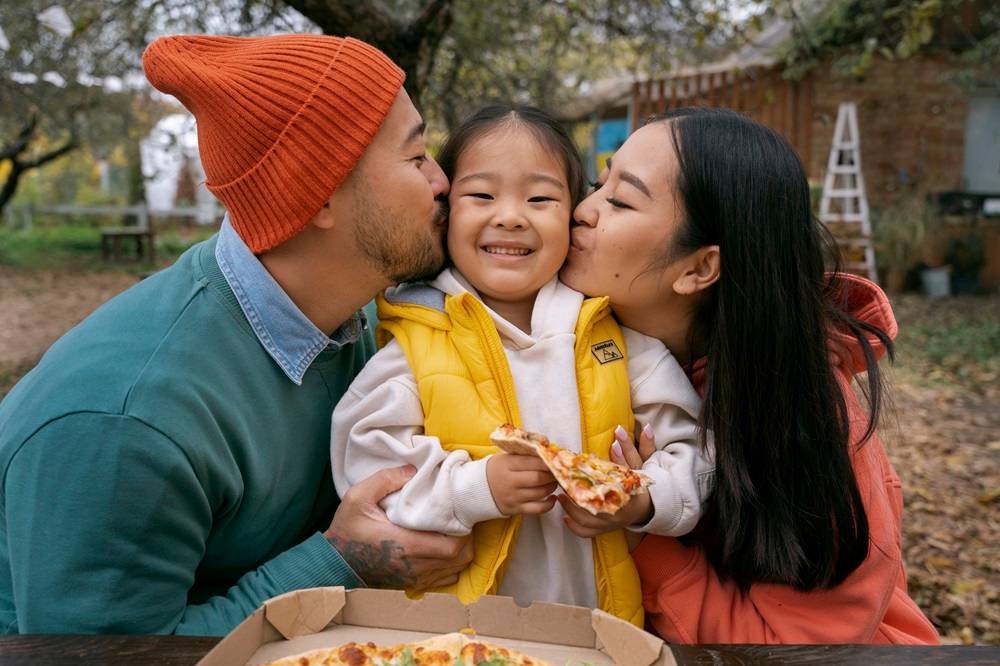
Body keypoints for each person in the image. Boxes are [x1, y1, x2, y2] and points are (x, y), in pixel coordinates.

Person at [0, 34, 473, 636]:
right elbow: (112, 656)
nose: (444, 183)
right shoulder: (128, 419)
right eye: (416, 158)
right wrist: (343, 565)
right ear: (320, 193)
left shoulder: (373, 319)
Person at [560, 106, 940, 644]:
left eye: (620, 200)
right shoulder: (581, 345)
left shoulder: (805, 420)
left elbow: (798, 645)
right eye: (598, 185)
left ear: (698, 269)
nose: (582, 210)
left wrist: (639, 534)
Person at [330, 105, 714, 627]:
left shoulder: (613, 336)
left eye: (540, 198)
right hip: (458, 633)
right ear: (446, 213)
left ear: (573, 216)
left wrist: (643, 501)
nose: (510, 216)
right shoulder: (416, 342)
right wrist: (476, 487)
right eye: (482, 195)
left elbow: (696, 450)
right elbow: (370, 478)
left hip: (598, 628)